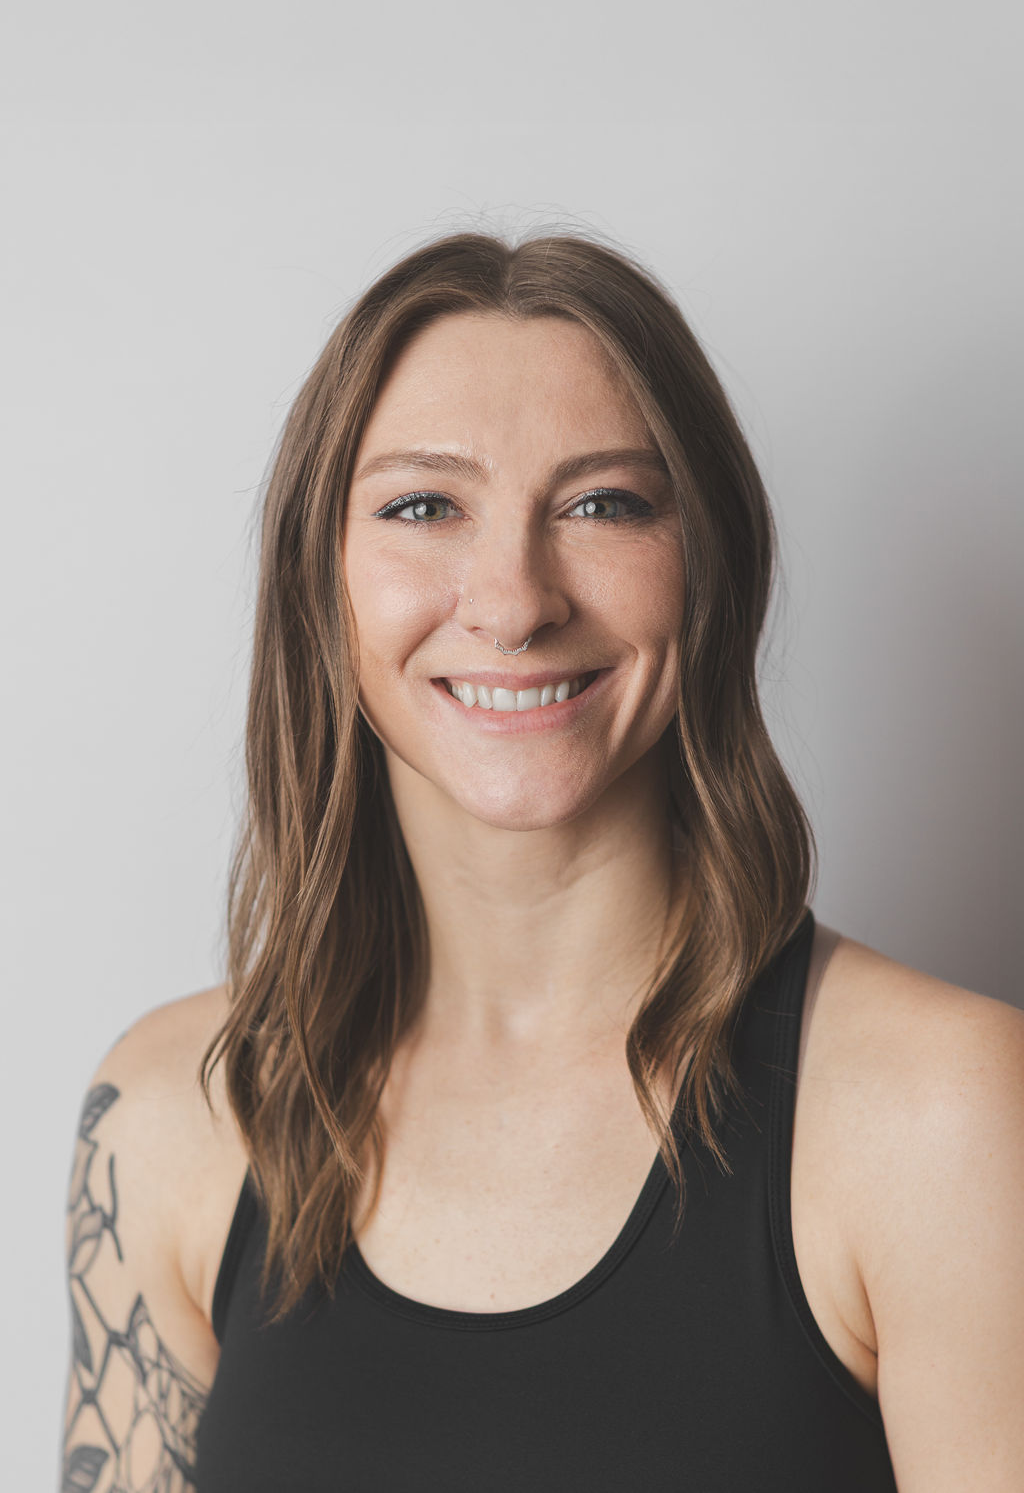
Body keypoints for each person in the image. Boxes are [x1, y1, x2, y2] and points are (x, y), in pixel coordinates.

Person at [60, 229, 1024, 1492]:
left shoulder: (946, 1113)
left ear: (707, 569)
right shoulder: (172, 1112)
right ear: (320, 582)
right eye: (423, 506)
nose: (512, 600)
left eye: (602, 505)